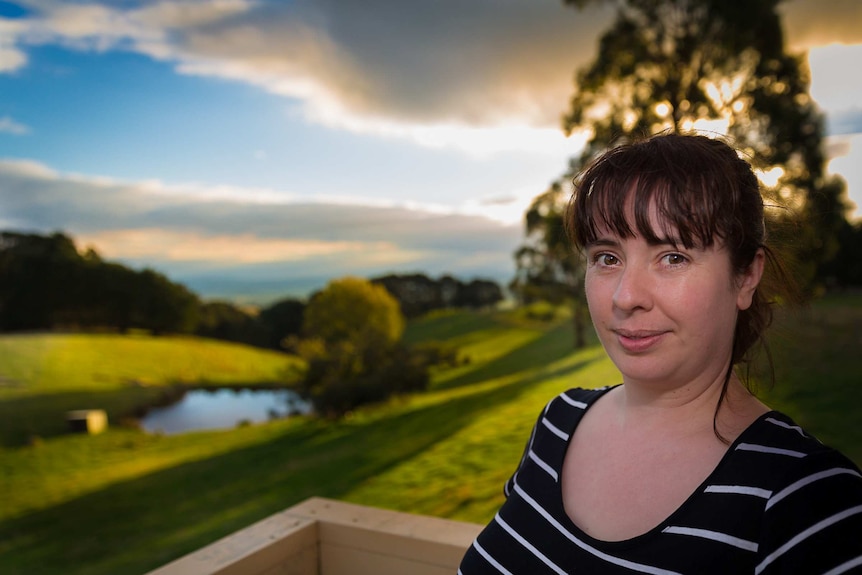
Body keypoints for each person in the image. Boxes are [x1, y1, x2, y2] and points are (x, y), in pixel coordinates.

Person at [458, 133, 862, 574]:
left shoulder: (810, 499)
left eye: (672, 256)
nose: (626, 296)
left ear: (746, 276)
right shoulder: (558, 421)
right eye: (607, 257)